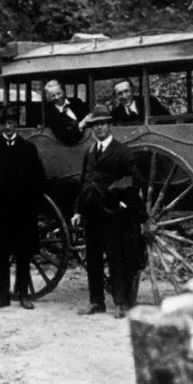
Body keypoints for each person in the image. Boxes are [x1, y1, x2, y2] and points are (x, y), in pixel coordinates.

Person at [71, 104, 147, 319]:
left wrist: (124, 202)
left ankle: (122, 303)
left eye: (103, 124)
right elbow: (84, 183)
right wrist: (78, 210)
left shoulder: (121, 151)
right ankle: (96, 302)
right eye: (96, 125)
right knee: (93, 259)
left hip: (114, 214)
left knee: (116, 258)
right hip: (92, 213)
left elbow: (134, 179)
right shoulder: (90, 152)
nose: (100, 128)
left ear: (109, 126)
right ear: (93, 128)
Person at [0, 105, 47, 310]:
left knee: (23, 254)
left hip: (23, 213)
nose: (8, 127)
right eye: (5, 124)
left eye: (12, 123)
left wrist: (31, 202)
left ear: (17, 125)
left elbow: (40, 180)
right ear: (0, 126)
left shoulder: (28, 149)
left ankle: (23, 295)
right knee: (0, 255)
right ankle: (2, 297)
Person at [43, 80, 90, 145]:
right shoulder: (50, 112)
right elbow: (64, 136)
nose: (57, 97)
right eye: (52, 96)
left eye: (59, 93)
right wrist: (80, 125)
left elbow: (89, 118)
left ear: (63, 92)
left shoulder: (77, 102)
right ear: (49, 98)